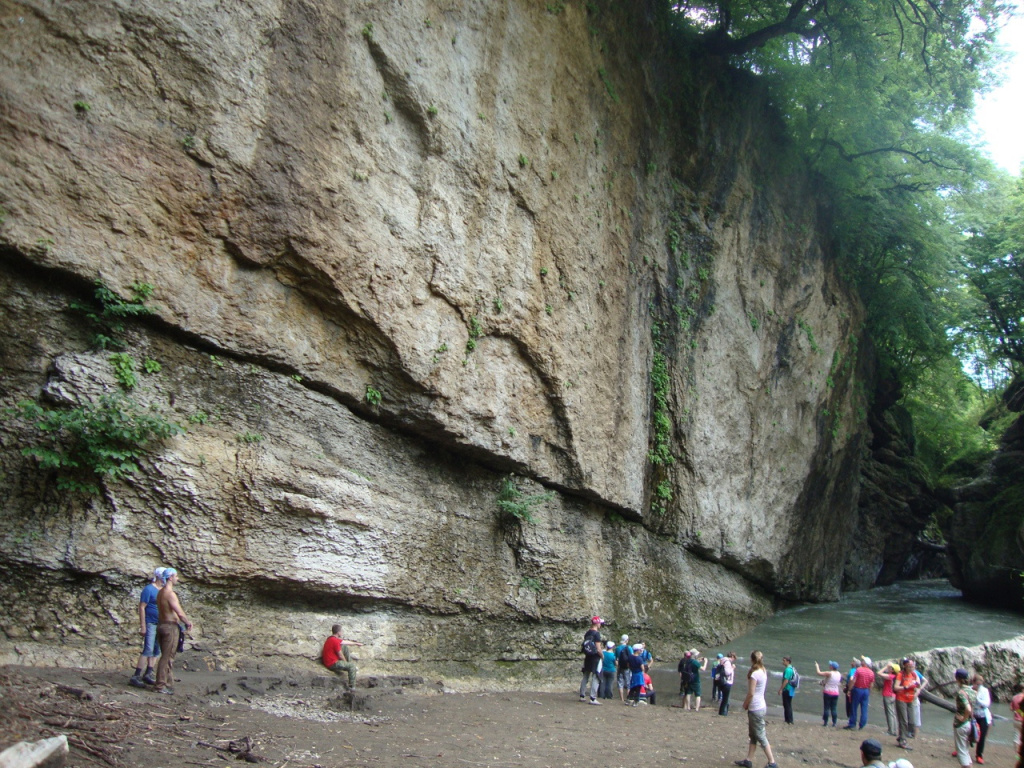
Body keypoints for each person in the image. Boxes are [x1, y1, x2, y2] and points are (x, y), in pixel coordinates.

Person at [733, 650, 778, 768]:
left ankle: (772, 762)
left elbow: (751, 693)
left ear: (751, 659)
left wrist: (745, 704)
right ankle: (748, 760)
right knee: (753, 735)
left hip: (756, 707)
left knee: (760, 735)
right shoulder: (763, 671)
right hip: (761, 705)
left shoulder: (754, 674)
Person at [153, 568, 192, 695]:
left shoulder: (160, 592)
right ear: (170, 578)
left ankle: (168, 683)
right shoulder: (170, 594)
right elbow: (179, 612)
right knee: (167, 657)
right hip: (170, 627)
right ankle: (160, 685)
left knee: (166, 655)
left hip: (161, 625)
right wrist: (187, 622)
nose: (177, 578)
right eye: (176, 576)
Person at [129, 568, 165, 688]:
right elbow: (142, 607)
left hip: (159, 623)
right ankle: (136, 675)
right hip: (150, 623)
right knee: (148, 648)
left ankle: (148, 673)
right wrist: (143, 625)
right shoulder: (149, 589)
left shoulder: (163, 590)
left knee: (156, 649)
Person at [894, 658, 921, 749]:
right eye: (909, 666)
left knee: (912, 721)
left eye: (913, 666)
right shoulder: (900, 675)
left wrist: (916, 686)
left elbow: (918, 683)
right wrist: (905, 687)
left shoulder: (913, 674)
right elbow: (896, 687)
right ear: (905, 666)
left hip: (911, 699)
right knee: (903, 720)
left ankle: (902, 736)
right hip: (901, 699)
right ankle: (903, 741)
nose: (911, 668)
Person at [953, 668, 976, 767]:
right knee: (965, 750)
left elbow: (968, 709)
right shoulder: (973, 692)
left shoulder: (961, 693)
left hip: (961, 724)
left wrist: (963, 718)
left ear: (957, 679)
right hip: (970, 723)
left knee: (961, 751)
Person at [579, 616, 604, 705]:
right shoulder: (596, 634)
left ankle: (582, 695)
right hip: (595, 658)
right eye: (600, 623)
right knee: (596, 676)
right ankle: (593, 698)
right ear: (597, 623)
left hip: (588, 657)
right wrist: (602, 656)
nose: (601, 624)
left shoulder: (587, 633)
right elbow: (598, 648)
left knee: (586, 675)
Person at [845, 655, 875, 730]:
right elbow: (871, 684)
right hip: (866, 690)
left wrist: (849, 689)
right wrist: (869, 692)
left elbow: (853, 680)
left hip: (858, 689)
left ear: (864, 663)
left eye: (863, 661)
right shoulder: (871, 673)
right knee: (864, 708)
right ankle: (862, 724)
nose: (861, 662)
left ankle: (852, 724)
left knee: (854, 707)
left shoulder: (858, 670)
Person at [815, 660, 842, 727]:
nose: (829, 666)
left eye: (830, 665)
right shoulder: (839, 674)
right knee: (834, 708)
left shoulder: (829, 673)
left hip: (828, 692)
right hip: (835, 693)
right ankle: (834, 723)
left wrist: (817, 666)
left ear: (832, 667)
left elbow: (819, 673)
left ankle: (825, 723)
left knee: (826, 708)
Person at [972, 674, 991, 764]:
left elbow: (986, 704)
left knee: (982, 736)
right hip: (973, 714)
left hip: (983, 715)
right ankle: (961, 750)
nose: (979, 686)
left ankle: (979, 755)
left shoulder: (985, 691)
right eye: (977, 684)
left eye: (980, 684)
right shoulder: (970, 689)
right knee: (968, 733)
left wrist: (977, 698)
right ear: (973, 682)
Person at [879, 663, 899, 736]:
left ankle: (891, 730)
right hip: (893, 696)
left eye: (891, 668)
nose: (889, 668)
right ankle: (894, 730)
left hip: (888, 696)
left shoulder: (891, 676)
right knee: (893, 713)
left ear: (893, 670)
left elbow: (879, 673)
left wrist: (885, 666)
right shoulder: (896, 676)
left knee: (889, 714)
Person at [779, 656, 796, 725]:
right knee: (788, 704)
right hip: (792, 688)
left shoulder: (788, 670)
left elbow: (786, 680)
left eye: (784, 660)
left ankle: (788, 720)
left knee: (786, 704)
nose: (783, 662)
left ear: (788, 661)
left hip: (787, 689)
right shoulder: (792, 668)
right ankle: (789, 719)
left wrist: (781, 689)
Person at [615, 634, 631, 704]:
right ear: (626, 640)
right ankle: (628, 698)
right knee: (628, 683)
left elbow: (616, 658)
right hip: (627, 668)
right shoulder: (629, 648)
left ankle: (621, 698)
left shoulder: (618, 648)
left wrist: (618, 665)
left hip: (620, 667)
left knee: (620, 682)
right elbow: (631, 657)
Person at [719, 652, 736, 716]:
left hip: (721, 681)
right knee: (725, 699)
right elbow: (727, 673)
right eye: (734, 658)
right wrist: (732, 668)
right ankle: (723, 713)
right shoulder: (727, 662)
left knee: (724, 699)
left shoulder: (722, 660)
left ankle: (722, 712)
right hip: (727, 682)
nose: (733, 660)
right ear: (732, 657)